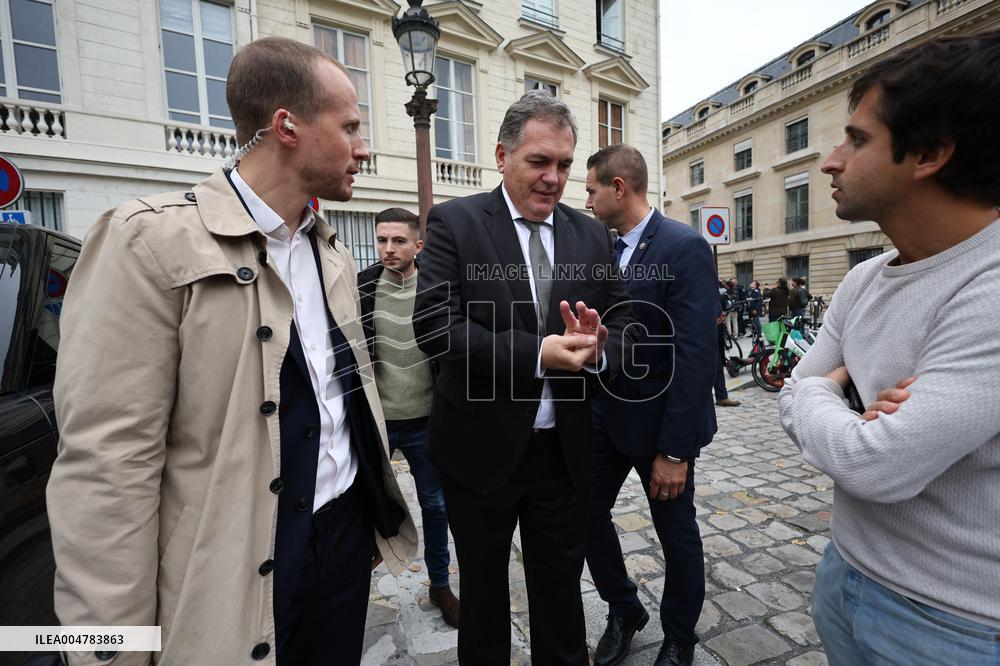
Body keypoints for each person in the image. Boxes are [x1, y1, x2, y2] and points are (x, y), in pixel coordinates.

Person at [46, 37, 417, 665]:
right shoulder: (147, 242)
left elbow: (342, 401)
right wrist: (108, 651)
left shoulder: (331, 252)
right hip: (232, 567)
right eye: (351, 125)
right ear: (287, 127)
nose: (364, 147)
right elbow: (106, 470)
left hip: (344, 543)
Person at [779, 31, 1000, 665]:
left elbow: (877, 465)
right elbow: (792, 397)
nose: (830, 160)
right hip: (845, 572)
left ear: (929, 154)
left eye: (857, 139)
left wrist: (822, 392)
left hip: (955, 626)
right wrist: (842, 409)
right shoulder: (862, 278)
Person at [413, 91, 636, 665]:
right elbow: (435, 327)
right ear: (502, 155)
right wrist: (538, 353)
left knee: (561, 597)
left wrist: (604, 345)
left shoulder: (591, 236)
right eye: (539, 161)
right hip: (478, 451)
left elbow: (628, 323)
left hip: (563, 455)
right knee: (484, 601)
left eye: (564, 164)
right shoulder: (455, 223)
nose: (554, 178)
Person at [583, 144, 719, 666]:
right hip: (606, 416)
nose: (588, 199)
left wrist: (676, 451)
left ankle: (679, 636)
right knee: (585, 514)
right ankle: (624, 608)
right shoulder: (601, 245)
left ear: (619, 187)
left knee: (676, 534)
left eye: (592, 188)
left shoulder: (683, 247)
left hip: (663, 425)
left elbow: (695, 353)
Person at [358, 208, 459, 627]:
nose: (388, 249)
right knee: (359, 508)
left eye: (398, 241)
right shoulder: (361, 285)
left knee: (436, 507)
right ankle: (349, 591)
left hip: (426, 422)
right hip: (376, 421)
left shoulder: (437, 286)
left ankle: (440, 585)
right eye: (382, 240)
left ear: (418, 245)